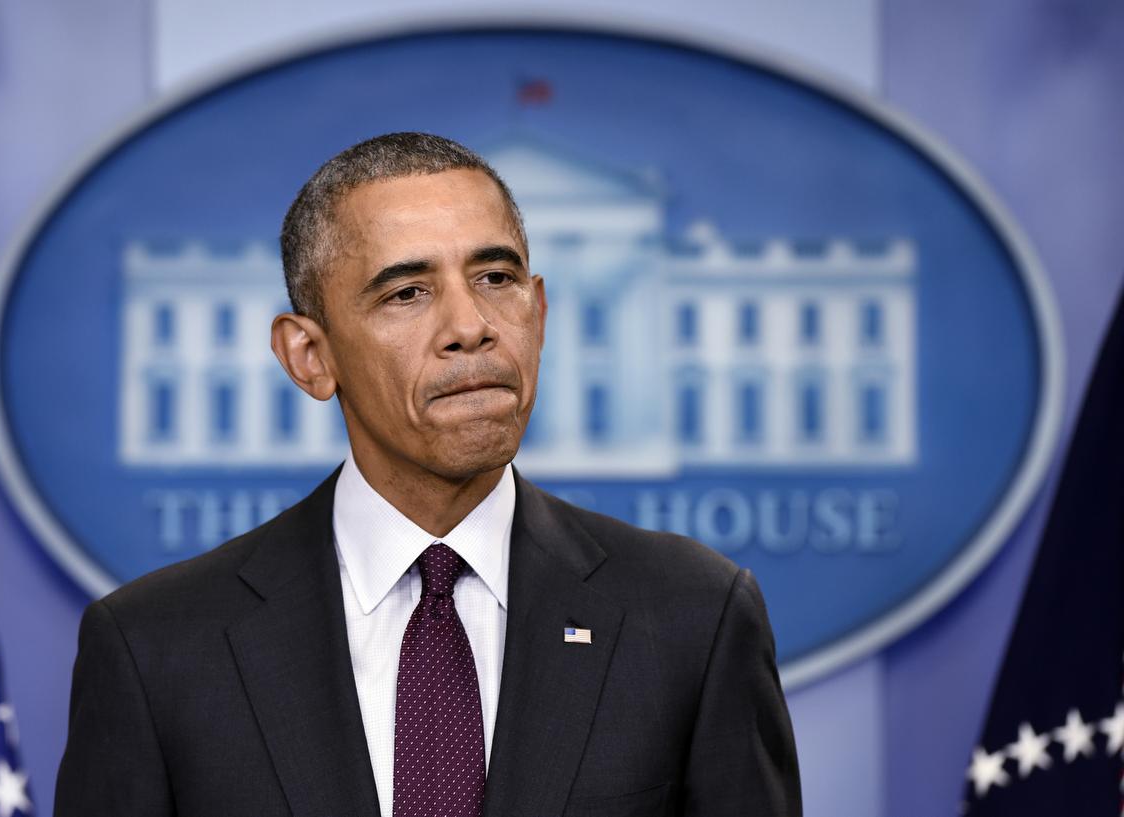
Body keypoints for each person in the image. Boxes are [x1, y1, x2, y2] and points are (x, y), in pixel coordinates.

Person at [54, 132, 801, 817]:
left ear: (537, 314)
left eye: (496, 276)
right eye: (407, 292)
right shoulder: (156, 649)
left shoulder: (692, 617)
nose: (471, 324)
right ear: (309, 356)